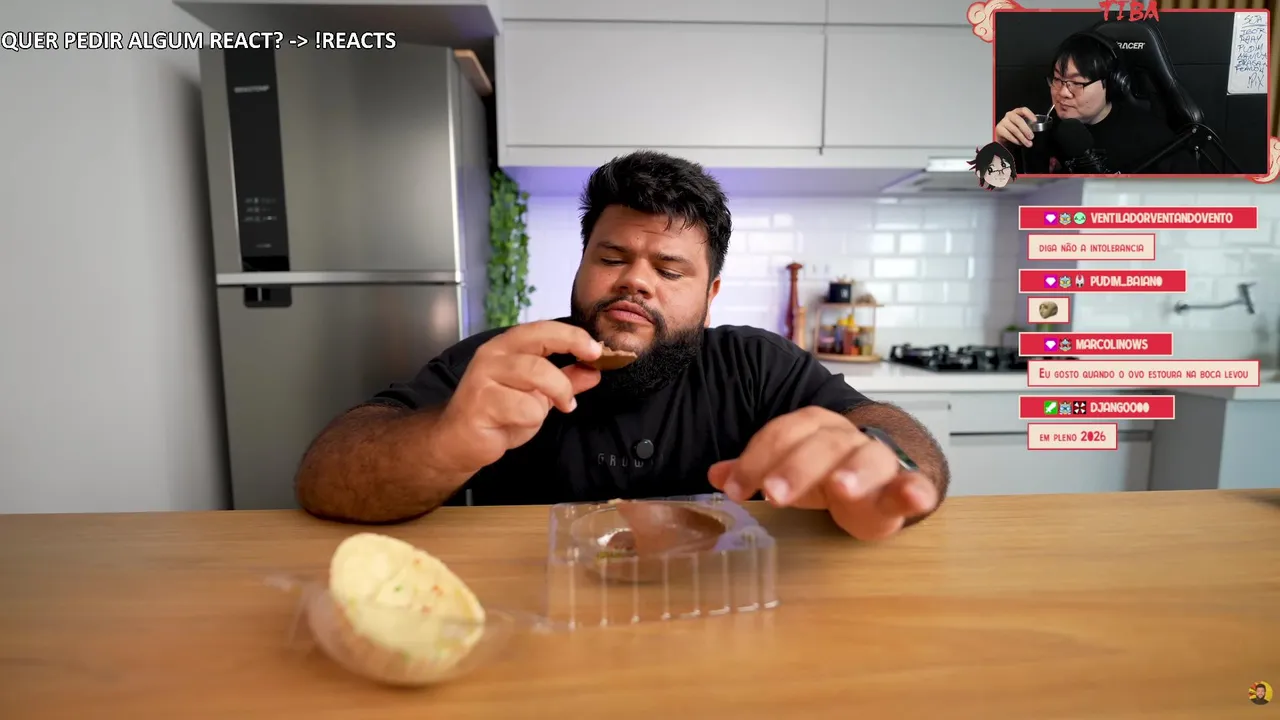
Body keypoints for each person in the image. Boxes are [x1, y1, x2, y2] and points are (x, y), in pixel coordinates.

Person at [295, 151, 949, 541]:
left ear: (711, 295)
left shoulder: (755, 365)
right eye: (612, 257)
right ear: (581, 265)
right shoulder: (503, 364)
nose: (636, 280)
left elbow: (893, 436)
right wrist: (443, 442)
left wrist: (879, 462)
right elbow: (325, 475)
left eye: (669, 269)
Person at [995, 31, 1199, 174]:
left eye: (1077, 83)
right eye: (1057, 80)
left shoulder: (1151, 137)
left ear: (1110, 84)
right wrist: (1000, 147)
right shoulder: (1037, 131)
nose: (1063, 93)